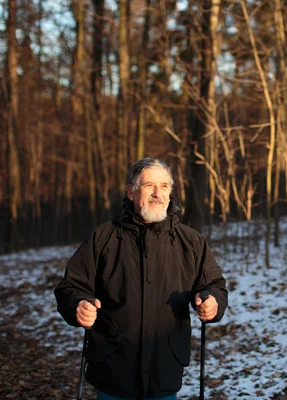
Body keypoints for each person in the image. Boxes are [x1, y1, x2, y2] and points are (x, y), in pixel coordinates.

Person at [55, 158, 228, 400]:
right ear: (131, 192)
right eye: (149, 186)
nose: (158, 193)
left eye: (165, 186)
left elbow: (214, 285)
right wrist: (78, 305)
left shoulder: (190, 241)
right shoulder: (103, 238)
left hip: (165, 371)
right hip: (113, 370)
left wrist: (213, 302)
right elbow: (71, 287)